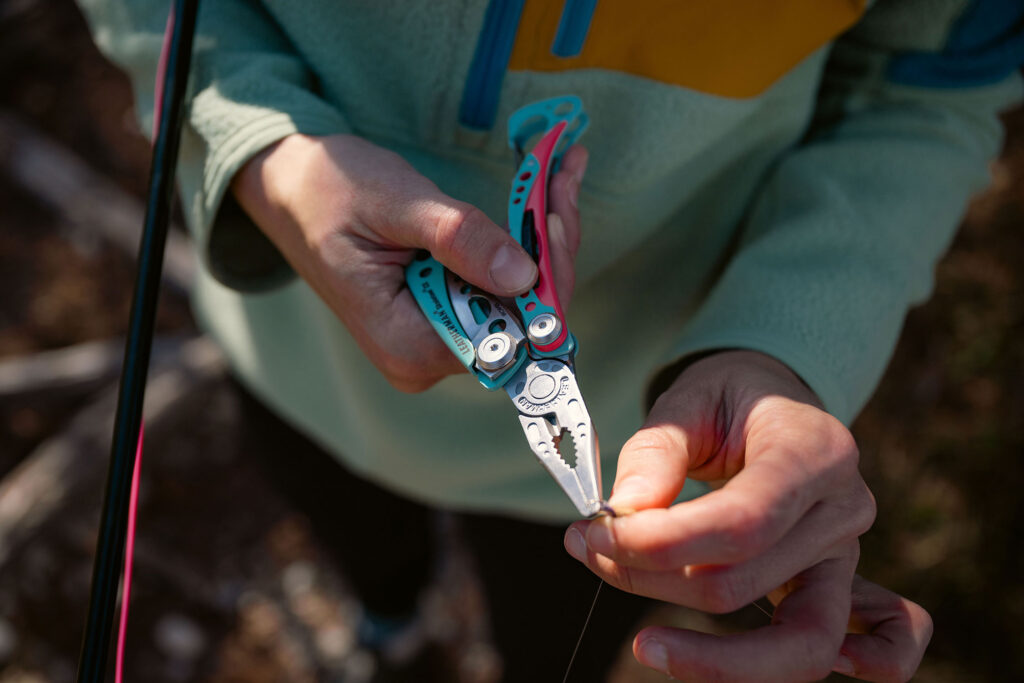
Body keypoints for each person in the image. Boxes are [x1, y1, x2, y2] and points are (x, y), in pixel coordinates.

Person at [80, 0, 1023, 680]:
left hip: (634, 462)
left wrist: (782, 347)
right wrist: (264, 151)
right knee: (359, 538)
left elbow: (927, 87)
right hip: (297, 364)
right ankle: (391, 627)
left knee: (552, 630)